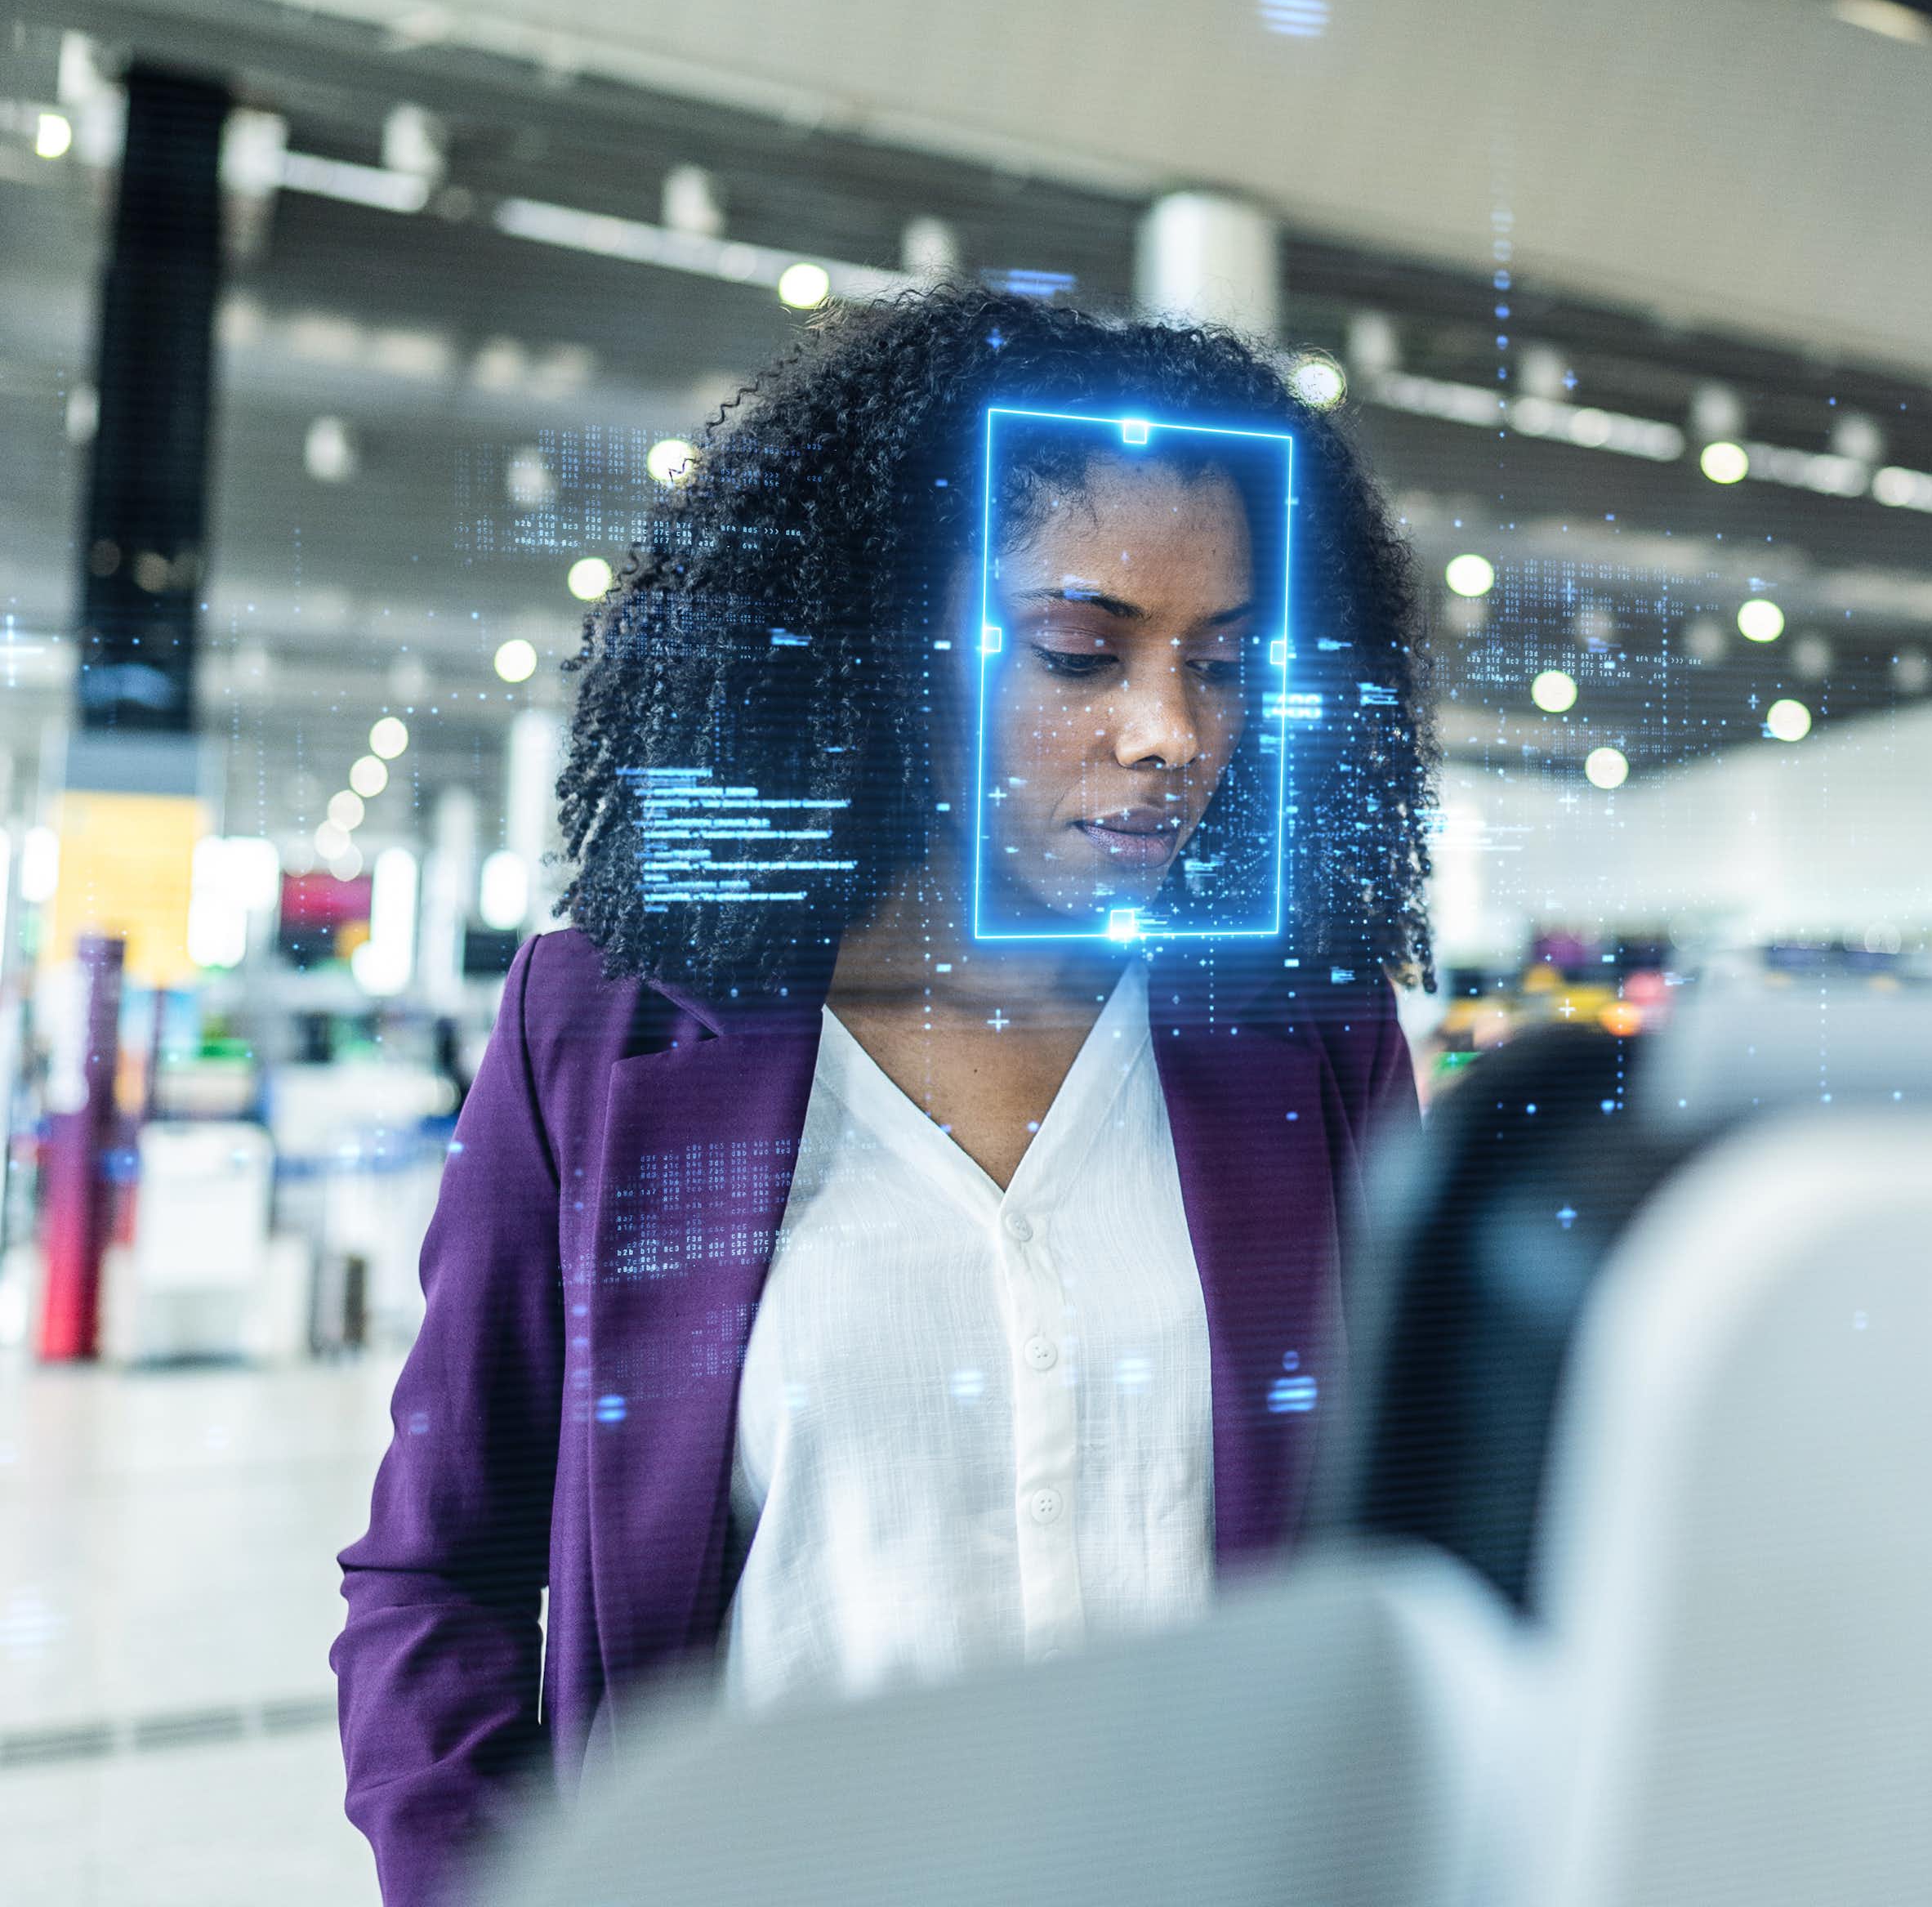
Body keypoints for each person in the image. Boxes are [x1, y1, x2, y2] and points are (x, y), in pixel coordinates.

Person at [332, 289, 1436, 1905]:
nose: (1167, 733)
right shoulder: (610, 1036)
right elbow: (440, 1577)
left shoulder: (1301, 1039)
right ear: (890, 642)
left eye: (1218, 662)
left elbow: (1405, 1544)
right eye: (1081, 650)